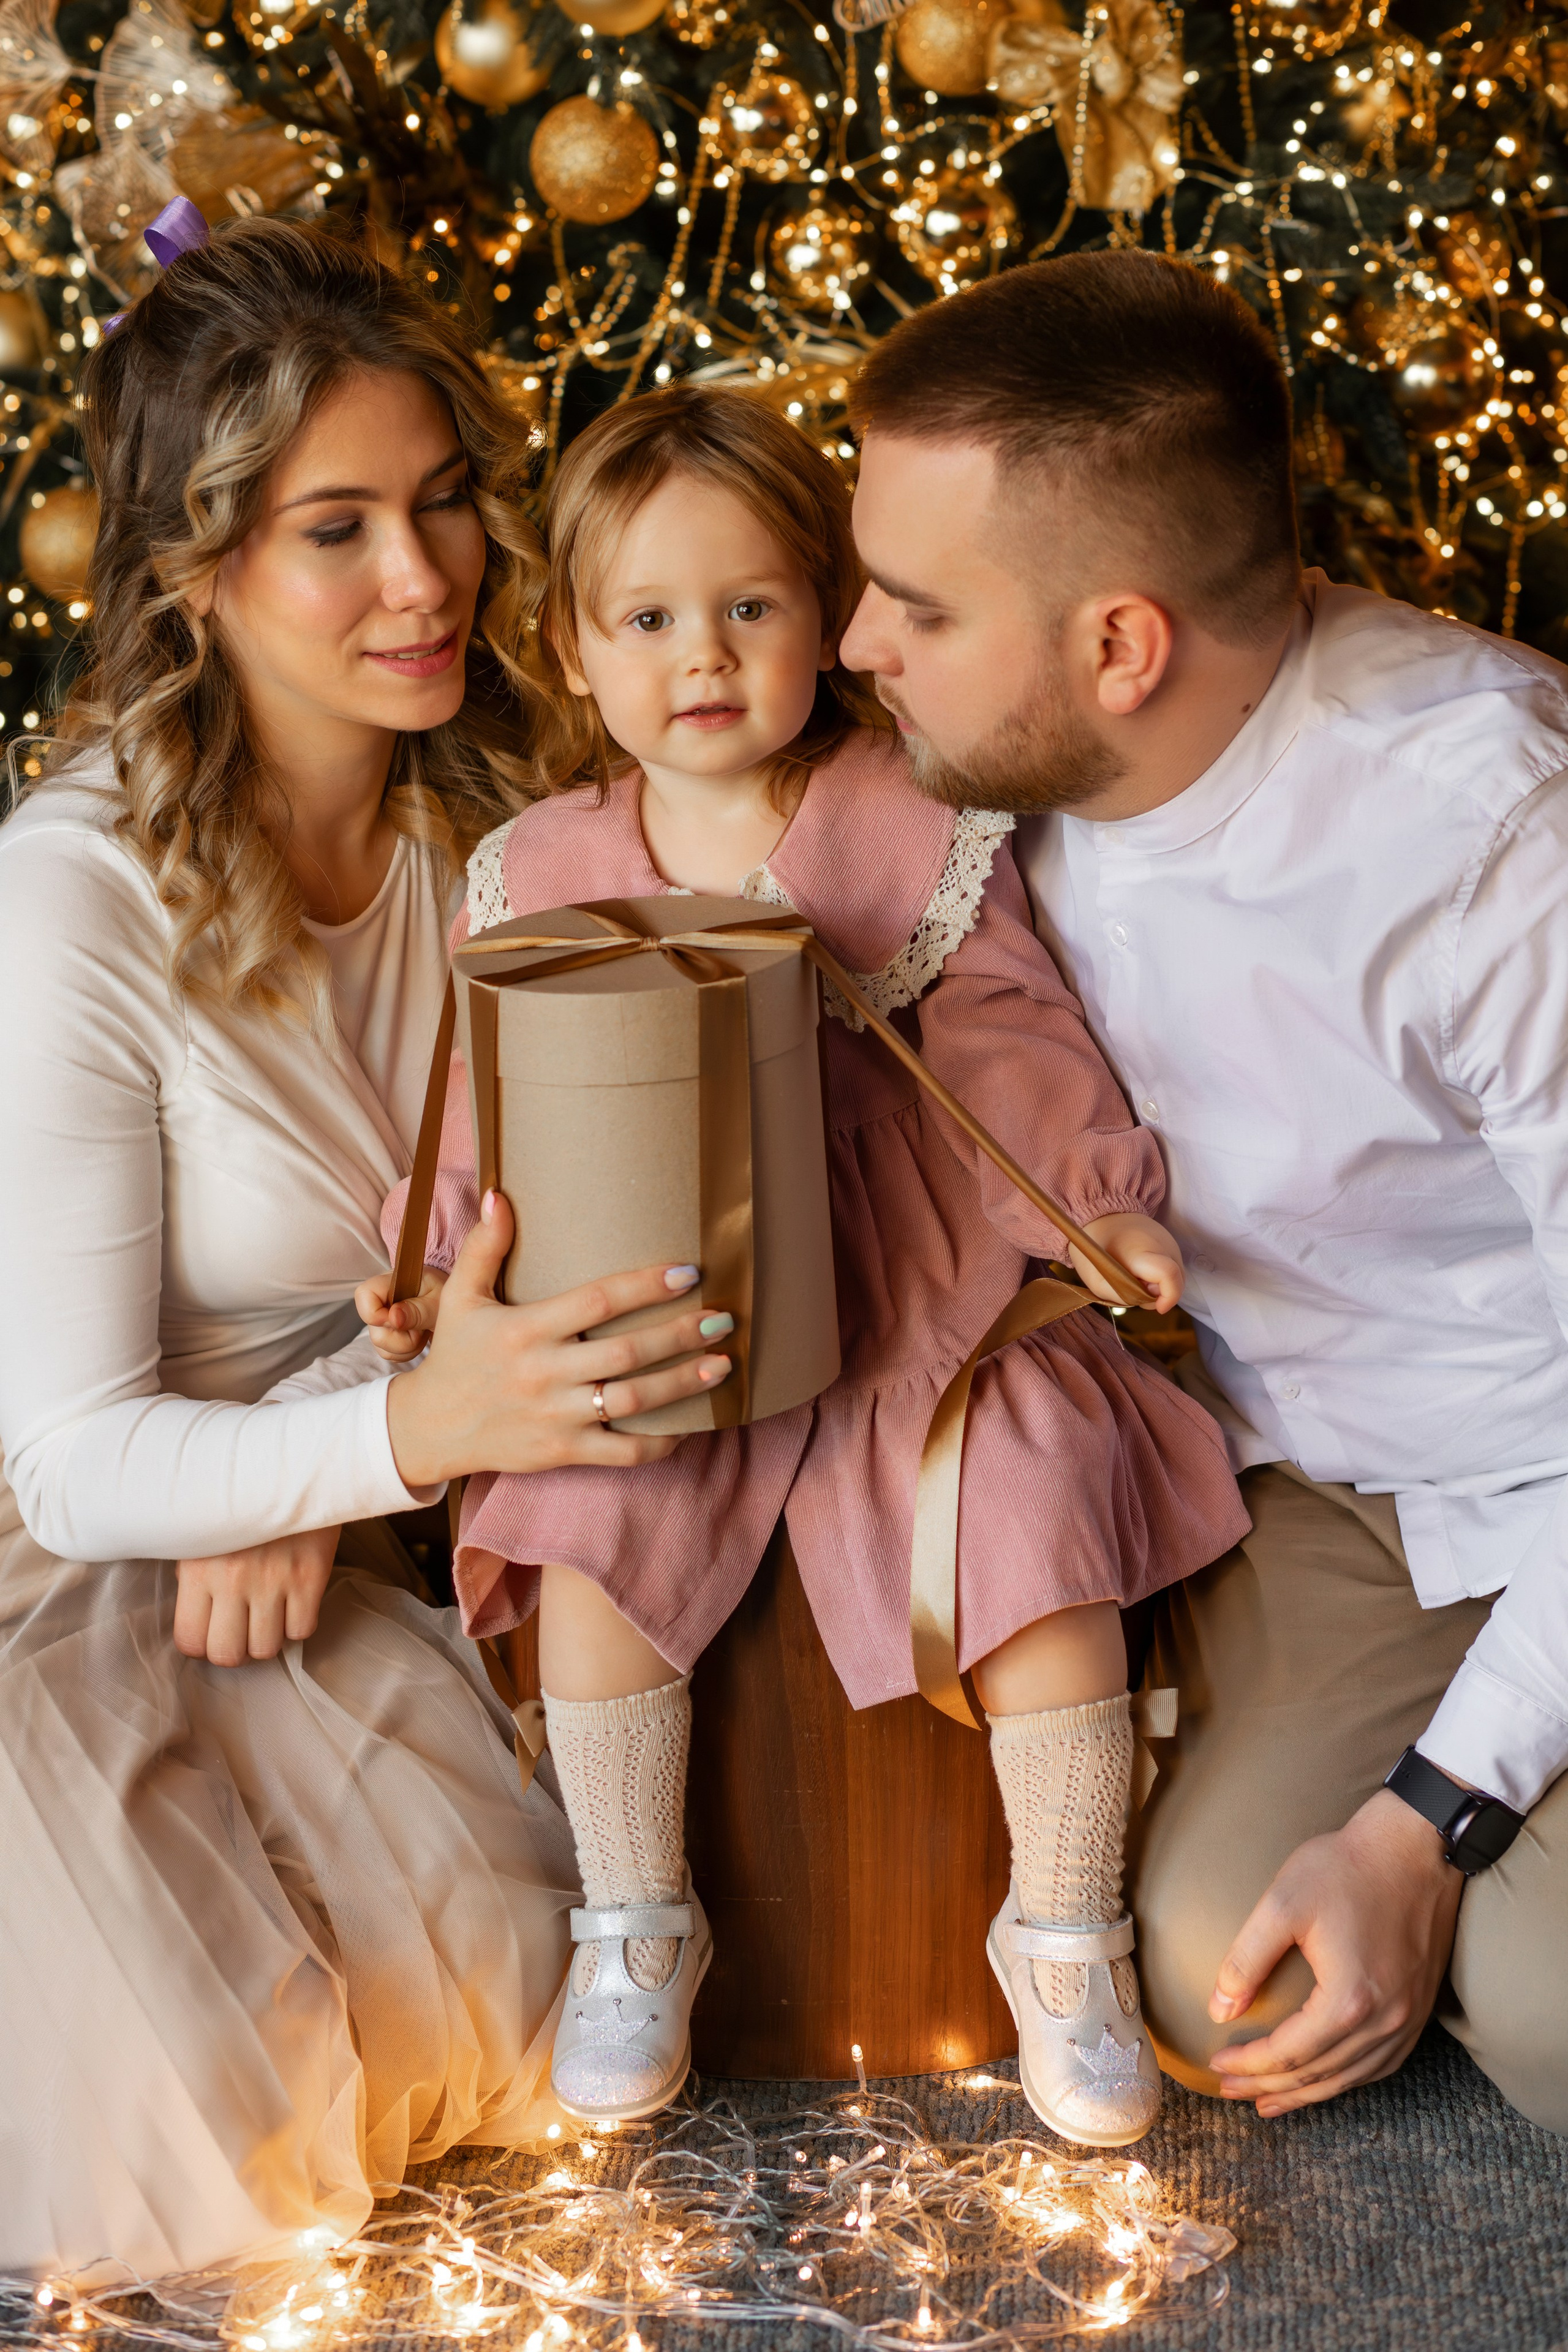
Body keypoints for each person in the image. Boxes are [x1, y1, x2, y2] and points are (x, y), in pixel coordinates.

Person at [368, 383, 1248, 2147]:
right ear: (577, 645)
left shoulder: (905, 819)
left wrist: (1090, 1201)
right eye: (651, 619)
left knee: (1026, 1497)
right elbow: (492, 1103)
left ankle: (1064, 1928)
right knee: (595, 1520)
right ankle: (635, 1914)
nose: (704, 657)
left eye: (751, 607)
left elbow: (1006, 1037)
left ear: (827, 620)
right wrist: (453, 1267)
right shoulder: (542, 866)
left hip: (907, 1274)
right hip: (660, 1283)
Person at [0, 217, 735, 2285]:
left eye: (442, 508)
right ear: (194, 569)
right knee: (221, 2131)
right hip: (52, 1534)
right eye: (337, 531)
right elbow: (69, 1457)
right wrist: (393, 1435)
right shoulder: (76, 896)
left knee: (503, 2014)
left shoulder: (505, 823)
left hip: (321, 1504)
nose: (424, 583)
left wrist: (344, 1439)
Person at [837, 247, 1568, 2135]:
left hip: (1549, 1455)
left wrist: (1432, 1824)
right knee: (1221, 1973)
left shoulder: (1494, 835)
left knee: (1548, 2012)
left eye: (914, 604)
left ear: (1121, 646)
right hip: (1327, 1491)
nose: (854, 646)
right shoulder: (984, 787)